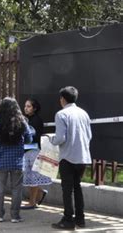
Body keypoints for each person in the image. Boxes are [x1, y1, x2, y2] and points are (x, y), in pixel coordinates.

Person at [50, 86, 92, 230]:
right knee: (77, 187)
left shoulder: (61, 114)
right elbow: (89, 135)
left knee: (67, 190)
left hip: (67, 157)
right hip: (83, 156)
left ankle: (68, 220)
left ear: (62, 99)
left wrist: (51, 140)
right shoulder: (84, 113)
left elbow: (60, 138)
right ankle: (80, 219)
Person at [0, 97, 33, 223]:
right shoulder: (22, 121)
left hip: (1, 159)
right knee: (16, 189)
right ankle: (15, 216)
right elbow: (29, 139)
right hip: (17, 161)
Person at [22, 98, 52, 208]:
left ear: (34, 108)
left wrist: (24, 145)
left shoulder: (36, 120)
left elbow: (34, 139)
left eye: (29, 106)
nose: (26, 108)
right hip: (27, 151)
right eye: (25, 106)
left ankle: (32, 202)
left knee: (33, 177)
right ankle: (40, 192)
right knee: (28, 177)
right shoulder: (27, 119)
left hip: (33, 151)